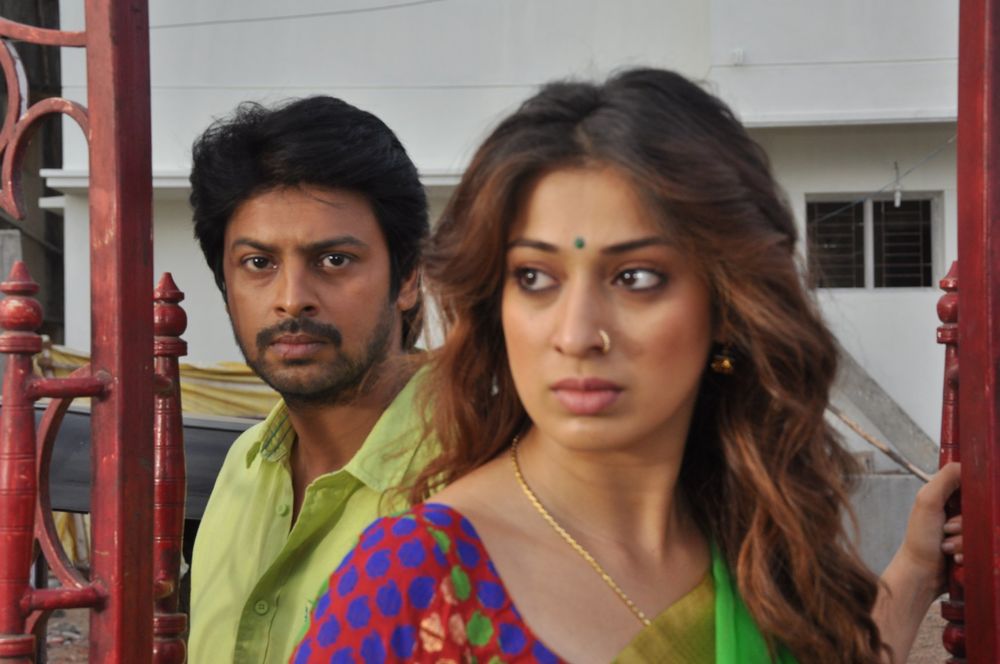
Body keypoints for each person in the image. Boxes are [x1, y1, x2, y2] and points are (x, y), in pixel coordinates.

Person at [291, 69, 963, 663]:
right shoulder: (411, 584)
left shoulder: (763, 549)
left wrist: (912, 571)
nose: (578, 334)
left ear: (725, 305)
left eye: (636, 277)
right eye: (535, 277)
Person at [186, 96, 433, 663]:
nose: (292, 298)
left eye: (334, 260)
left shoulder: (480, 477)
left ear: (408, 279)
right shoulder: (245, 465)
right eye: (258, 263)